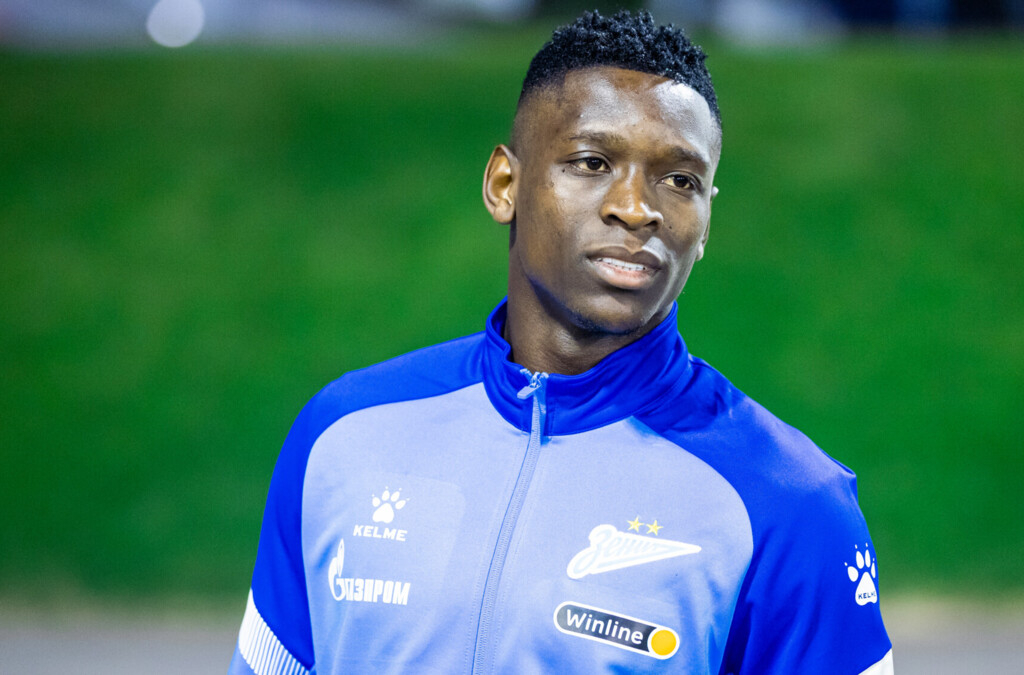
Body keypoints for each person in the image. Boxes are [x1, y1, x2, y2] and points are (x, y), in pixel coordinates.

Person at [228, 9, 892, 675]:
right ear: (505, 186)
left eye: (680, 180)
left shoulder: (789, 505)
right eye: (592, 162)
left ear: (706, 220)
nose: (637, 208)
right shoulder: (343, 434)